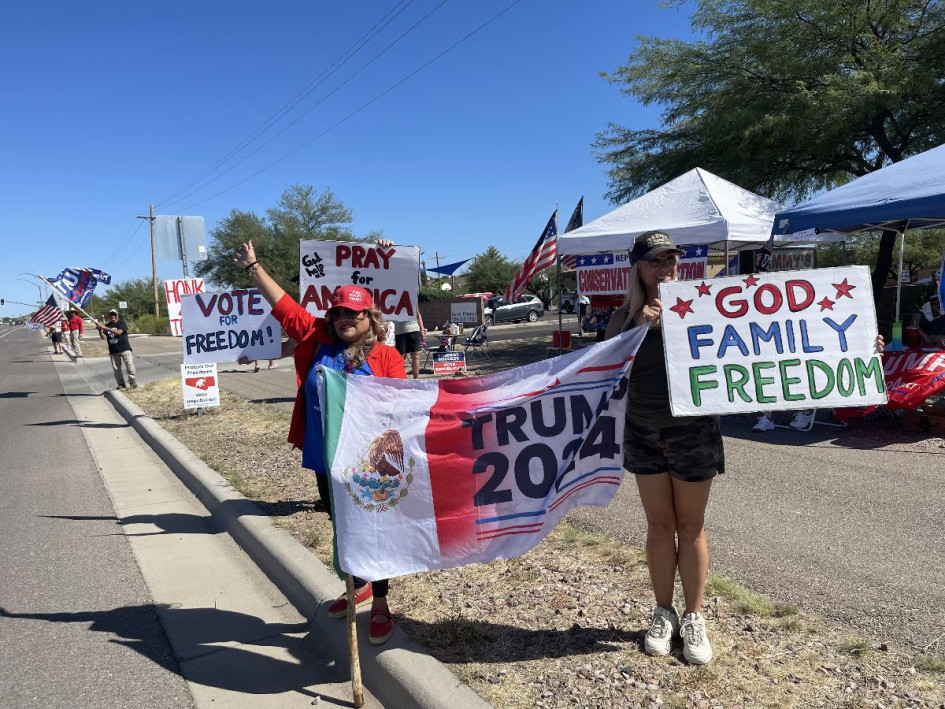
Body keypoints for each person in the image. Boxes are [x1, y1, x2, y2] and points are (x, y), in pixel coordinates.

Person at [234, 238, 406, 645]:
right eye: (339, 312)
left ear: (369, 316)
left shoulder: (387, 357)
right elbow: (285, 306)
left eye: (354, 312)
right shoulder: (316, 340)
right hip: (326, 458)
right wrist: (253, 267)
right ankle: (356, 587)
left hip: (368, 464)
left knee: (371, 531)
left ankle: (380, 604)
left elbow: (400, 411)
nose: (346, 317)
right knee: (341, 526)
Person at [604, 230, 721, 665]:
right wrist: (637, 327)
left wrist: (856, 345)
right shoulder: (622, 318)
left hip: (694, 431)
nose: (666, 268)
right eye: (655, 261)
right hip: (643, 430)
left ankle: (694, 617)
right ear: (638, 268)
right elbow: (602, 372)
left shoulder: (706, 305)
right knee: (658, 525)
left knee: (690, 526)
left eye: (671, 259)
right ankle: (663, 611)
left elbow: (767, 338)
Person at [96, 309, 137, 389]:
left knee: (130, 366)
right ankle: (121, 384)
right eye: (111, 315)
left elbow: (119, 332)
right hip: (113, 350)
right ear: (109, 316)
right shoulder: (107, 325)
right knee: (116, 369)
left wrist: (106, 328)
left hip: (124, 348)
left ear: (117, 315)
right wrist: (100, 330)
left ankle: (132, 381)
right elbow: (103, 337)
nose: (113, 316)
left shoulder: (121, 323)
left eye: (114, 315)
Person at [394, 312, 425, 379]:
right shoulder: (394, 301)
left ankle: (416, 379)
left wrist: (422, 329)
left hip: (414, 329)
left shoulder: (413, 301)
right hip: (400, 331)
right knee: (400, 357)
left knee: (416, 355)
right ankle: (401, 378)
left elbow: (418, 315)